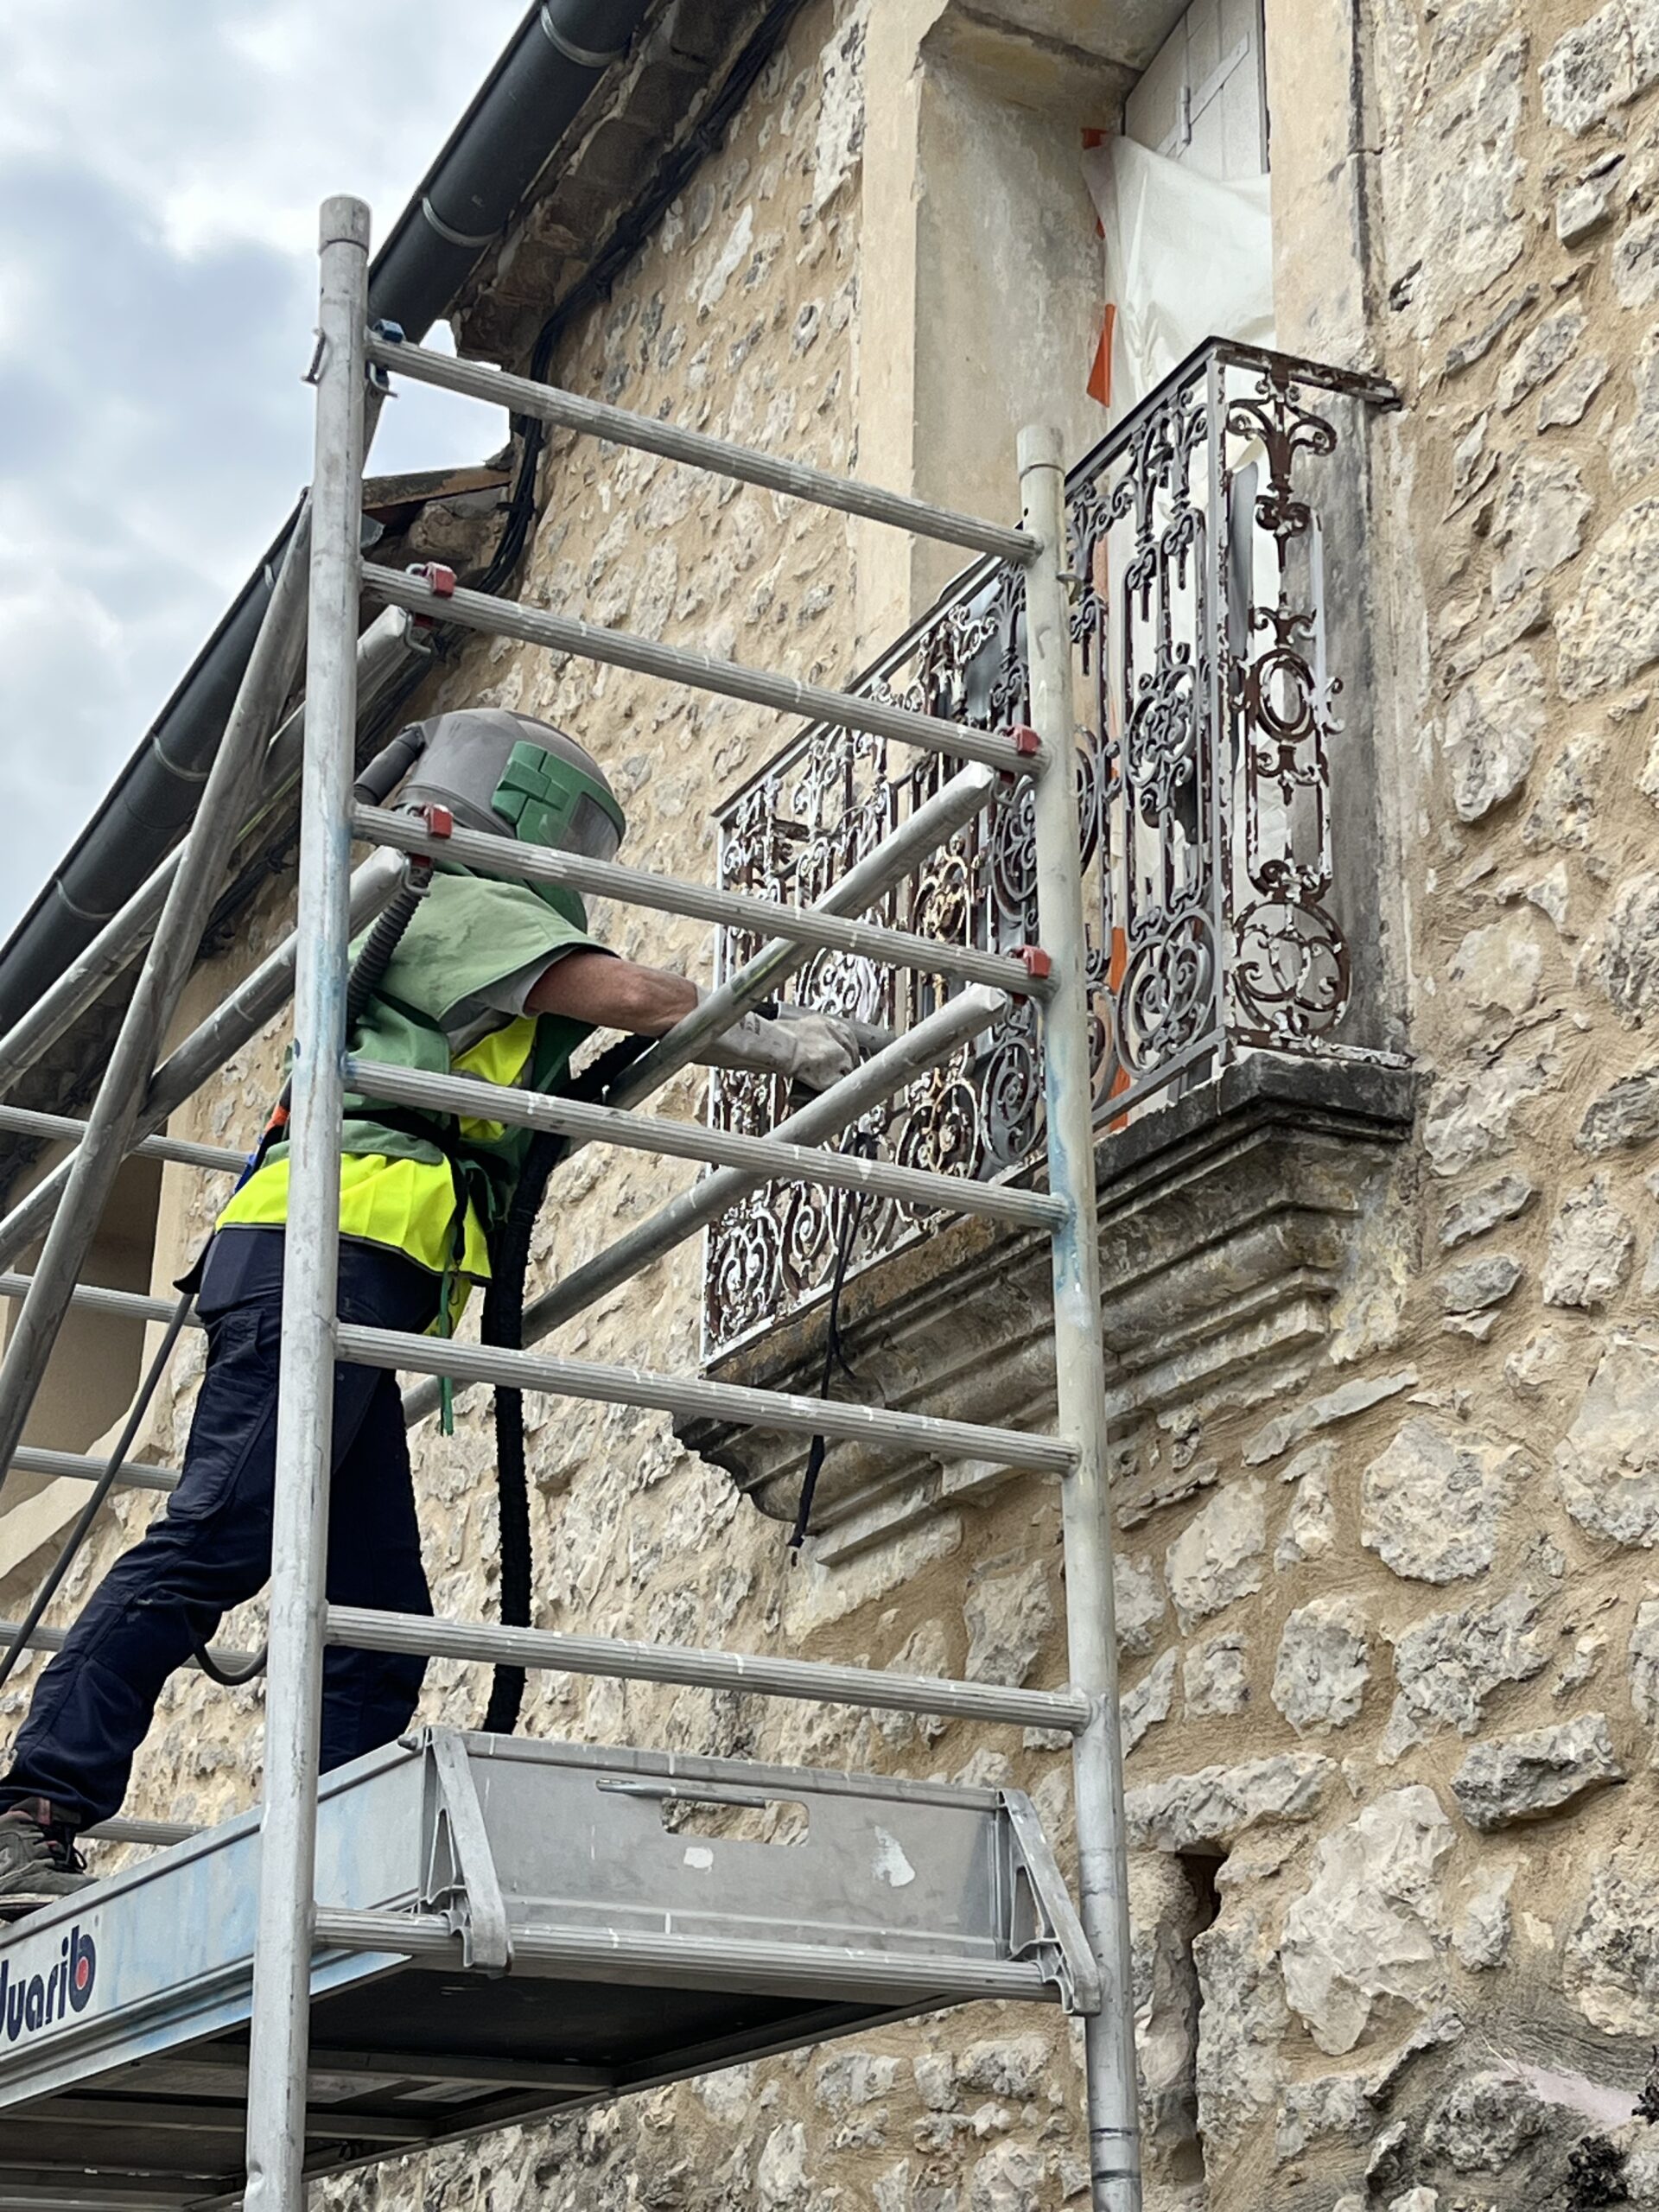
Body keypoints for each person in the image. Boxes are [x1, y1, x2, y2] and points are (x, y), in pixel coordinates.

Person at [0, 709, 861, 1913]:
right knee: (222, 1531)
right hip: (326, 1251)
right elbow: (621, 991)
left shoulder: (424, 913)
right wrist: (775, 1037)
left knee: (380, 1612)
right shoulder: (450, 892)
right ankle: (31, 1810)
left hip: (347, 1268)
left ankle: (328, 1864)